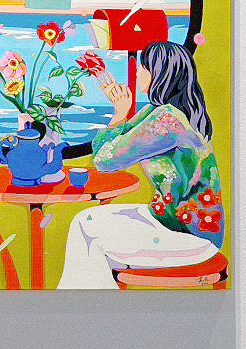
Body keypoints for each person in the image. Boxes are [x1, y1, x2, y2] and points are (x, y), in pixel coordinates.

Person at [57, 41, 224, 289]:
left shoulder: (166, 120)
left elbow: (104, 161)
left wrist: (119, 114)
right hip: (170, 219)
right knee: (86, 221)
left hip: (187, 236)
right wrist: (120, 116)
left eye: (143, 66)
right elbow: (105, 149)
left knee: (87, 229)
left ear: (160, 73)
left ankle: (87, 304)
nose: (137, 71)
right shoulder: (158, 112)